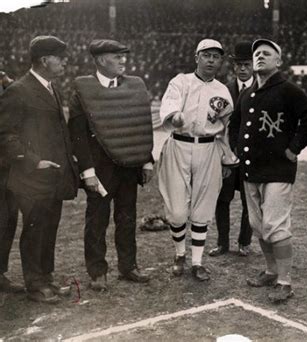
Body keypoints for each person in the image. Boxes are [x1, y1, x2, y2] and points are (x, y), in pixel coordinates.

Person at [229, 39, 307, 303]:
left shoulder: (288, 89)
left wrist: (294, 148)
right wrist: (236, 148)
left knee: (276, 226)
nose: (259, 57)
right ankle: (271, 271)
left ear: (278, 61)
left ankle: (285, 281)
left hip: (278, 171)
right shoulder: (247, 93)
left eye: (266, 54)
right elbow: (235, 123)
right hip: (251, 170)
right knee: (257, 225)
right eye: (257, 53)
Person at [68, 39, 154, 291]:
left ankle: (128, 267)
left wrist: (146, 161)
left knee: (127, 218)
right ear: (102, 60)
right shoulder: (82, 91)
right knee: (97, 221)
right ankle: (97, 271)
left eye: (123, 56)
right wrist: (87, 171)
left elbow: (141, 126)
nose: (123, 61)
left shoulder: (134, 87)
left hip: (128, 167)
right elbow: (78, 136)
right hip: (100, 170)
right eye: (117, 57)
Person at [0, 36, 79, 303]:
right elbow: (6, 135)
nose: (65, 62)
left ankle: (46, 278)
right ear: (45, 60)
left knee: (49, 227)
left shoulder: (50, 88)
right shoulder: (19, 90)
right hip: (31, 177)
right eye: (60, 57)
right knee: (35, 229)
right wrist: (34, 161)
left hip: (53, 175)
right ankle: (35, 285)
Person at [158, 39, 237, 281]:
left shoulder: (223, 91)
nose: (211, 60)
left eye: (216, 56)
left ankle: (197, 261)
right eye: (207, 55)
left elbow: (226, 127)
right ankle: (179, 254)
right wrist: (176, 116)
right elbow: (169, 109)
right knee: (177, 209)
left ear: (221, 61)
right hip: (179, 144)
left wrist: (226, 157)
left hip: (208, 148)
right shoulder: (180, 82)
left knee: (204, 206)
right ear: (196, 57)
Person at [209, 41, 254, 257]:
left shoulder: (262, 89)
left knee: (250, 201)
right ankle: (222, 243)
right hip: (226, 155)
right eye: (239, 65)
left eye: (247, 64)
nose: (243, 69)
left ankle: (244, 242)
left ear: (254, 65)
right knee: (222, 199)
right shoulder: (223, 90)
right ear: (233, 66)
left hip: (251, 157)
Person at [0, 68, 22, 294]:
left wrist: (5, 80)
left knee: (7, 220)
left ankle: (0, 273)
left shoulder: (4, 83)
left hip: (6, 165)